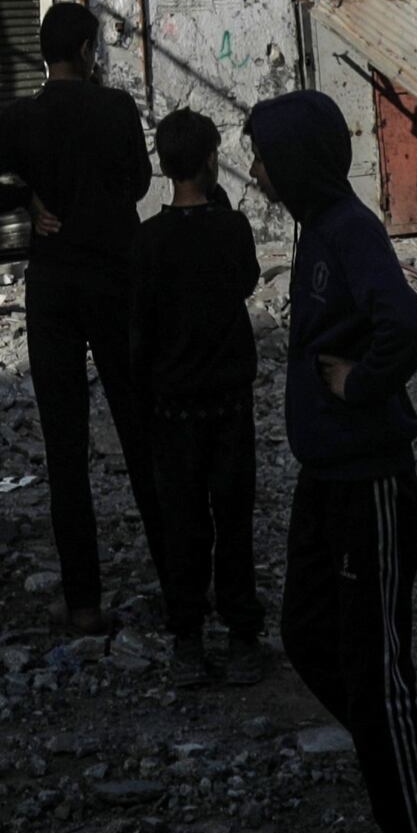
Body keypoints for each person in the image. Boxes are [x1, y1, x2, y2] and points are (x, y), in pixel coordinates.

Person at [245, 88, 417, 833]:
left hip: (368, 483)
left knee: (374, 668)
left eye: (265, 157)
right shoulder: (320, 230)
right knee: (308, 635)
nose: (257, 172)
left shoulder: (350, 230)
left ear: (297, 160)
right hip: (328, 478)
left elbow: (404, 328)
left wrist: (361, 384)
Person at [0, 0, 157, 636]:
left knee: (65, 451)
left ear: (46, 55)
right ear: (88, 51)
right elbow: (139, 182)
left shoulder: (23, 118)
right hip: (116, 284)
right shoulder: (117, 109)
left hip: (55, 293)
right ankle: (182, 589)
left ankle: (84, 603)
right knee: (142, 437)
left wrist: (28, 197)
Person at [131, 107, 266, 679]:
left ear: (164, 167)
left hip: (172, 407)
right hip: (228, 402)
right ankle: (241, 636)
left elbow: (140, 327)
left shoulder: (148, 241)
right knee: (233, 518)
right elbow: (244, 281)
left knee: (183, 522)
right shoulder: (230, 229)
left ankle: (187, 638)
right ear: (212, 161)